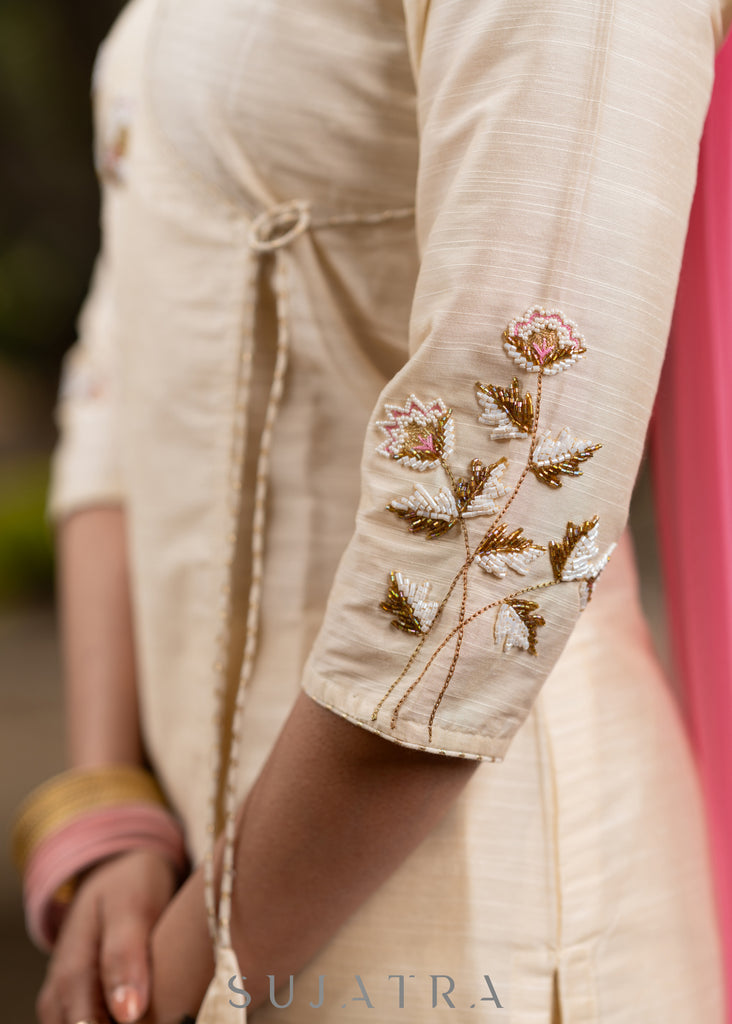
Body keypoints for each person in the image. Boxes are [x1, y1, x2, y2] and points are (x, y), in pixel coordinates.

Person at [12, 0, 732, 1021]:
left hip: (473, 916)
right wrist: (110, 800)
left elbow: (513, 483)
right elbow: (122, 361)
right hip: (198, 888)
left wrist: (194, 970)